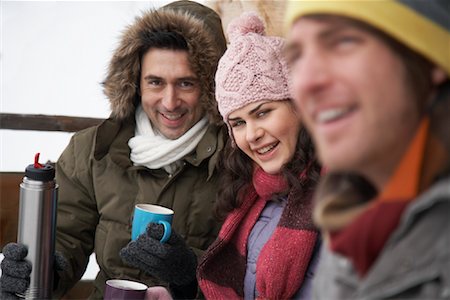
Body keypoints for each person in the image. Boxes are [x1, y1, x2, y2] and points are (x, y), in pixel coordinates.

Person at [0, 1, 227, 299]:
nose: (170, 102)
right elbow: (66, 238)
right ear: (135, 82)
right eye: (155, 82)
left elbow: (252, 269)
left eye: (186, 83)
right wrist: (44, 269)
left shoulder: (236, 157)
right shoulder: (94, 151)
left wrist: (191, 273)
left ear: (212, 86)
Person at [284, 0, 450, 299]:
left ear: (429, 58)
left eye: (343, 41)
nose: (306, 82)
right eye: (295, 58)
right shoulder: (347, 220)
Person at [196, 12, 322, 299]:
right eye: (238, 123)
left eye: (262, 112)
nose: (251, 134)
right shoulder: (250, 196)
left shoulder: (345, 193)